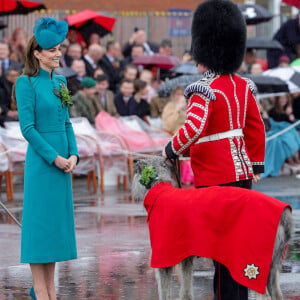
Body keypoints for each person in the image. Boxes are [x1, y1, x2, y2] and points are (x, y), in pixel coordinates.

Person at [162, 1, 265, 300]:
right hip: (242, 174)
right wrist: (256, 166)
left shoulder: (203, 88)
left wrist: (171, 148)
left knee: (221, 248)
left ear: (204, 52)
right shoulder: (243, 86)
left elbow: (193, 128)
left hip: (216, 177)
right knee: (238, 243)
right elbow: (256, 129)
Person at [15, 17, 79, 300]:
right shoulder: (25, 83)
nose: (58, 53)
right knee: (39, 230)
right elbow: (27, 128)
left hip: (64, 164)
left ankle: (50, 291)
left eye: (59, 48)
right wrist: (55, 158)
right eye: (52, 49)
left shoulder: (62, 80)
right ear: (37, 53)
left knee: (54, 232)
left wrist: (74, 153)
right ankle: (40, 292)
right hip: (43, 165)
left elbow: (67, 122)